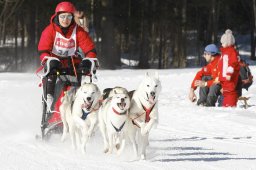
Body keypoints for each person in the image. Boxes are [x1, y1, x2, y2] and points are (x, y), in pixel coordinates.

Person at [38, 1, 98, 111]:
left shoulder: (78, 31)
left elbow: (90, 49)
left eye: (69, 17)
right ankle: (49, 104)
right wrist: (48, 60)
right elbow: (43, 50)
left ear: (72, 17)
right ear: (57, 16)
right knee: (51, 78)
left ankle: (78, 109)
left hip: (72, 63)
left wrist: (88, 61)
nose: (66, 20)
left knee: (77, 83)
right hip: (53, 63)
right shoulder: (50, 30)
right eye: (63, 16)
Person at [217, 29, 240, 107]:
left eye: (223, 43)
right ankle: (226, 104)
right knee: (225, 91)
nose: (221, 44)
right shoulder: (224, 53)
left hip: (229, 77)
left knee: (230, 90)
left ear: (227, 43)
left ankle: (231, 104)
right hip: (224, 77)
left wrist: (229, 73)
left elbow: (232, 63)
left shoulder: (231, 52)